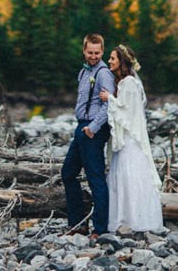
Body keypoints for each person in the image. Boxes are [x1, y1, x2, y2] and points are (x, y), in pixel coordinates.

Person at [100, 44, 163, 233]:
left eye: (112, 58)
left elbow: (127, 113)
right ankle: (128, 218)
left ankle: (131, 219)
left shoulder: (128, 83)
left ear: (122, 62)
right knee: (124, 176)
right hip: (127, 140)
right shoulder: (127, 82)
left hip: (129, 140)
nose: (109, 61)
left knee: (128, 176)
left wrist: (109, 98)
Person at [61, 33, 115, 237]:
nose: (93, 56)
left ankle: (100, 229)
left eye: (97, 52)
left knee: (96, 178)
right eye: (90, 52)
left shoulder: (103, 73)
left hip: (94, 130)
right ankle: (77, 224)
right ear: (84, 51)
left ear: (102, 51)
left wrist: (93, 128)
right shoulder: (83, 72)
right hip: (81, 128)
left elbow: (108, 103)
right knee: (68, 173)